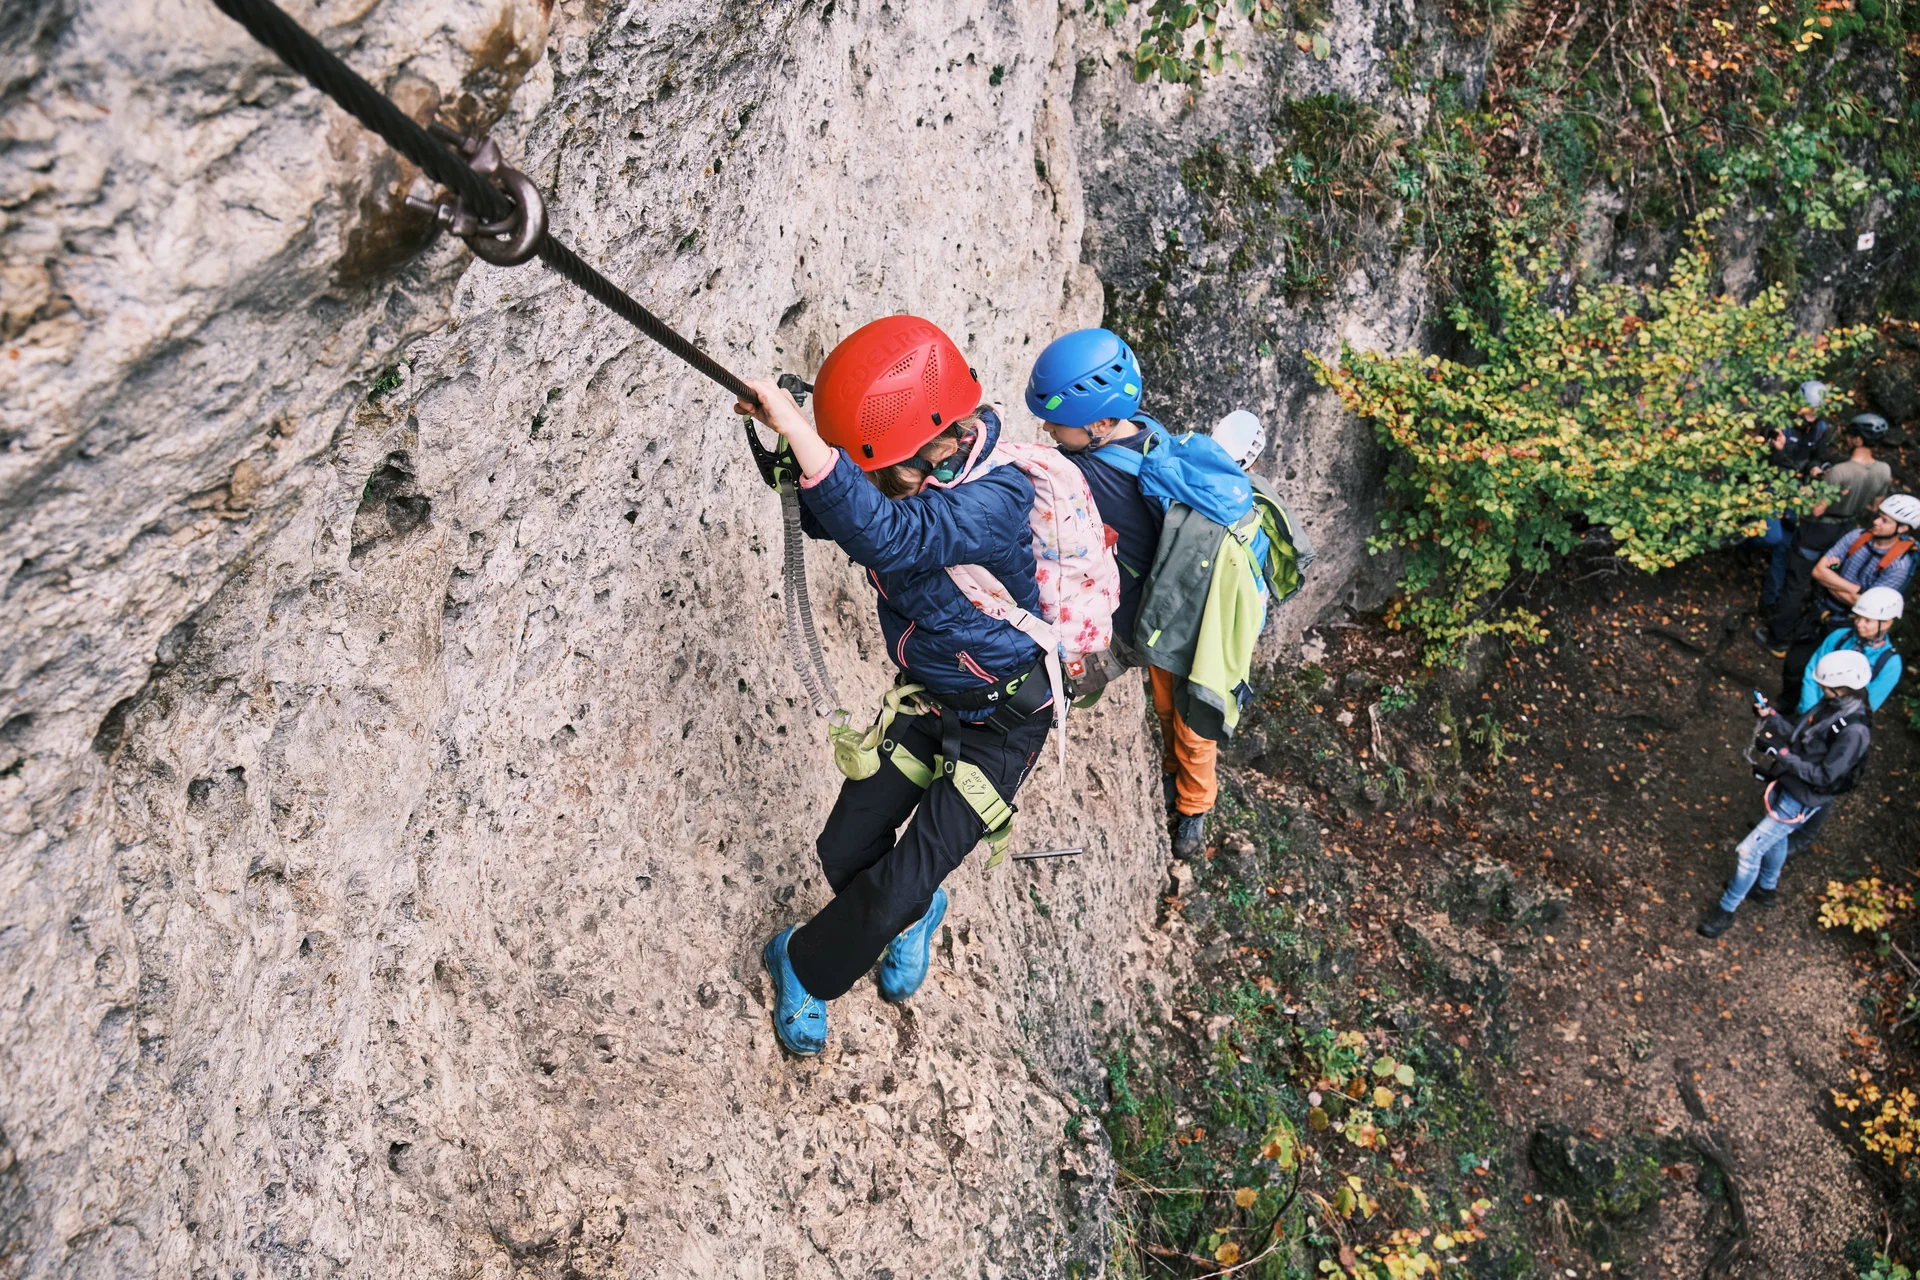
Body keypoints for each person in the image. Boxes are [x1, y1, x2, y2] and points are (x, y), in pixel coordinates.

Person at [741, 316, 1056, 1056]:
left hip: (1006, 727)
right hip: (932, 700)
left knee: (892, 886)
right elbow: (841, 519)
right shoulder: (918, 472)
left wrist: (811, 442)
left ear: (946, 440)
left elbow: (889, 535)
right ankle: (915, 912)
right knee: (844, 848)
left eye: (889, 470)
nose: (884, 486)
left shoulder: (994, 497)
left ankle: (805, 967)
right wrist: (793, 447)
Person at [1024, 328, 1211, 856]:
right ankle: (1178, 779)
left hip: (1147, 622)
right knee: (1177, 707)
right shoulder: (1147, 433)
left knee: (1187, 716)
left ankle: (1192, 810)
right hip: (1169, 604)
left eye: (1057, 422)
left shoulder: (1087, 477)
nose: (1046, 428)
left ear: (1101, 424)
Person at [1698, 649, 1875, 939]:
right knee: (1776, 837)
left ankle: (1726, 910)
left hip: (1803, 797)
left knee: (1748, 850)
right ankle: (1766, 889)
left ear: (1842, 687)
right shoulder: (1834, 705)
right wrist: (1773, 718)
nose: (1820, 689)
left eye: (1824, 686)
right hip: (1792, 783)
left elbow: (1825, 775)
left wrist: (1780, 754)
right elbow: (1802, 738)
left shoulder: (1853, 731)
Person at [1783, 586, 1905, 855]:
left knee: (1828, 775)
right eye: (1858, 617)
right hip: (1812, 714)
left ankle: (1804, 835)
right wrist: (1809, 710)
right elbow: (1814, 670)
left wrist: (1822, 721)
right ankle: (1782, 814)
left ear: (1888, 623)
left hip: (1839, 727)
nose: (1859, 623)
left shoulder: (1889, 663)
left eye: (1867, 620)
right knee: (1798, 758)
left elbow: (1866, 702)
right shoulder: (1840, 637)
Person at [1760, 413, 1894, 655]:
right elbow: (1875, 507)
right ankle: (1807, 633)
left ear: (1857, 440)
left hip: (1817, 532)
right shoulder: (1883, 471)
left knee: (1796, 582)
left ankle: (1778, 639)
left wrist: (1810, 490)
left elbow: (1816, 509)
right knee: (1825, 575)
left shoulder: (1841, 471)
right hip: (1846, 535)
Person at [1778, 492, 1919, 703]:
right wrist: (1854, 589)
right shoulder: (1857, 537)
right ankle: (1787, 706)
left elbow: (1867, 606)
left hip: (1848, 623)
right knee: (1794, 664)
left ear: (1903, 528)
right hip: (1821, 609)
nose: (1876, 522)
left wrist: (1832, 577)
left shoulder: (1898, 566)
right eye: (1879, 515)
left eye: (1884, 520)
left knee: (1828, 673)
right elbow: (1819, 571)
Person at [1749, 381, 1835, 613]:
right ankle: (1742, 539)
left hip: (1796, 488)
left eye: (1816, 410)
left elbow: (1818, 457)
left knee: (1785, 545)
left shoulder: (1821, 429)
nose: (1811, 414)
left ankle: (1769, 600)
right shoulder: (1780, 421)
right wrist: (1778, 449)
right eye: (1808, 407)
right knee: (1772, 537)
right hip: (1770, 482)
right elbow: (1761, 459)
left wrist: (1815, 471)